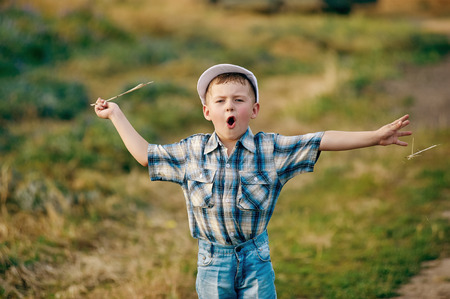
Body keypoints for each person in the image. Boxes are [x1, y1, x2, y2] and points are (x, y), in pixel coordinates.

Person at [94, 64, 411, 298]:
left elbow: (320, 139)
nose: (229, 106)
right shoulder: (191, 152)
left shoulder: (270, 150)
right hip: (211, 261)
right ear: (207, 111)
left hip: (255, 257)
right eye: (220, 101)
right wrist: (116, 115)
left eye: (238, 100)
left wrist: (375, 137)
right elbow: (147, 155)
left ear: (254, 109)